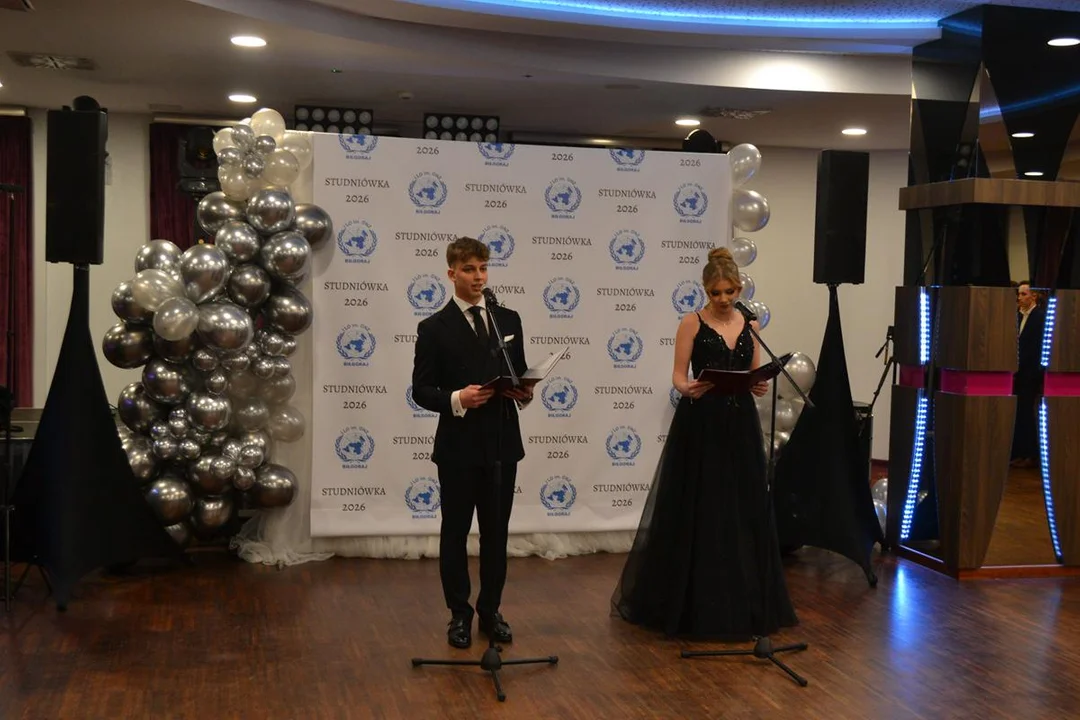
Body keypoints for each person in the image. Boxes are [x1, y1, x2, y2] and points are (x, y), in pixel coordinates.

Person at [611, 247, 798, 639]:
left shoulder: (750, 324)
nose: (724, 299)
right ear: (705, 290)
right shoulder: (691, 323)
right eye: (716, 292)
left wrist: (759, 384)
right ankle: (694, 603)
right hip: (702, 422)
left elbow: (752, 373)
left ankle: (746, 601)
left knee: (742, 506)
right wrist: (688, 388)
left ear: (740, 288)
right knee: (703, 505)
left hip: (741, 422)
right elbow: (679, 376)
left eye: (730, 291)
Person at [411, 236, 533, 649]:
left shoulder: (507, 319)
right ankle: (459, 614)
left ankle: (491, 610)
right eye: (469, 270)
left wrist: (524, 391)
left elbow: (517, 373)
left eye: (483, 268)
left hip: (502, 443)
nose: (478, 277)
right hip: (459, 446)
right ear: (451, 274)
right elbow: (421, 390)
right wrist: (457, 398)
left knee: (497, 534)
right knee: (456, 532)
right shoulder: (433, 328)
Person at [1011, 281, 1045, 468]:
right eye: (1019, 294)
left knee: (1026, 412)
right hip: (1017, 373)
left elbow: (1034, 348)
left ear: (1034, 296)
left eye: (1024, 294)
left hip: (1030, 373)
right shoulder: (1017, 316)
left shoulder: (1039, 317)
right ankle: (1018, 452)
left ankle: (1029, 454)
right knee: (1018, 412)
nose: (1020, 298)